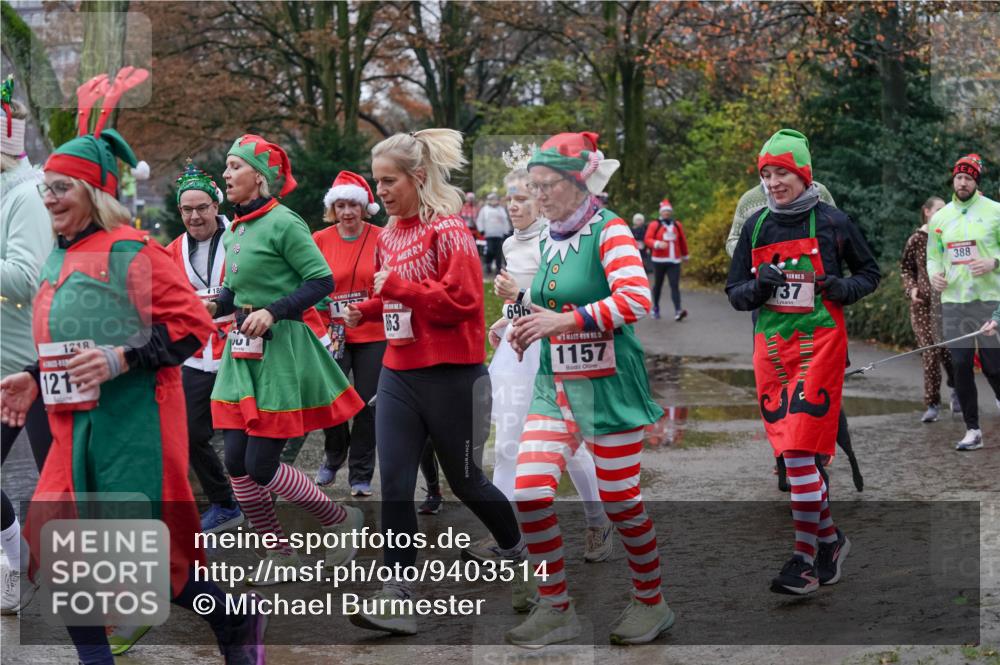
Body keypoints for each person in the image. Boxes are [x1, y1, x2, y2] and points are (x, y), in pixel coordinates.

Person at [0, 69, 266, 664]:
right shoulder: (54, 261)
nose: (50, 200)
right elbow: (69, 345)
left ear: (95, 193)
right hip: (73, 431)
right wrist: (31, 375)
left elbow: (191, 328)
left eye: (62, 189)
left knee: (153, 561)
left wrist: (123, 358)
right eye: (46, 189)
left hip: (135, 429)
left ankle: (233, 621)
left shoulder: (132, 251)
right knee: (63, 548)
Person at [343, 129, 525, 636]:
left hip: (452, 376)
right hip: (399, 373)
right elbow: (397, 298)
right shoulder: (390, 235)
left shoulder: (449, 231)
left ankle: (515, 547)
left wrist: (398, 288)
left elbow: (464, 304)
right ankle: (398, 593)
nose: (379, 191)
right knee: (394, 484)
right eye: (376, 181)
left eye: (388, 180)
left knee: (466, 481)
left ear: (417, 177)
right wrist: (367, 310)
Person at [505, 132, 671, 646]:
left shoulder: (610, 230)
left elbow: (636, 300)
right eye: (533, 187)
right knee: (529, 490)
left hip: (609, 388)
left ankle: (651, 600)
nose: (539, 196)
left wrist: (564, 322)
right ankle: (556, 607)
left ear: (578, 183)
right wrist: (516, 322)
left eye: (546, 185)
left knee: (621, 500)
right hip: (554, 386)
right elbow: (547, 301)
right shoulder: (553, 236)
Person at [727, 129, 880, 595]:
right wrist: (760, 288)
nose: (773, 183)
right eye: (766, 174)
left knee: (797, 452)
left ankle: (803, 562)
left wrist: (839, 287)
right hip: (772, 349)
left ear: (803, 174)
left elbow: (870, 273)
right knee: (793, 453)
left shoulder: (833, 221)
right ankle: (830, 542)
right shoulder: (754, 227)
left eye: (782, 173)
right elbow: (735, 294)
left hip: (821, 348)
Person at [208, 134, 366, 583]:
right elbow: (236, 288)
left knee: (261, 464)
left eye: (234, 167)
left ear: (259, 176)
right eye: (227, 166)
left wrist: (272, 310)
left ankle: (339, 518)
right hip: (243, 354)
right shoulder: (236, 226)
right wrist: (216, 306)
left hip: (282, 350)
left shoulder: (285, 222)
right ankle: (279, 552)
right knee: (236, 462)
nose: (226, 175)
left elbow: (321, 281)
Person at [475, 164, 613, 565]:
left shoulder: (555, 242)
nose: (514, 206)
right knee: (506, 445)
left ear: (541, 199)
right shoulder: (508, 246)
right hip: (517, 352)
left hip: (554, 349)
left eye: (522, 199)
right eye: (510, 200)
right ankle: (506, 535)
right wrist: (504, 320)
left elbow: (558, 299)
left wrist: (518, 296)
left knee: (569, 447)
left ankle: (597, 521)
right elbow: (517, 302)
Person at [165, 161, 244, 534]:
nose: (194, 217)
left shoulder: (241, 237)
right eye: (187, 209)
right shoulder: (171, 251)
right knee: (189, 432)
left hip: (239, 350)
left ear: (216, 205)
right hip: (196, 355)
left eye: (202, 208)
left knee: (244, 436)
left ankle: (260, 505)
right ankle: (224, 502)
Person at [0, 76, 53, 615]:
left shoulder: (25, 197)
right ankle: (16, 563)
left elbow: (28, 274)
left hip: (32, 362)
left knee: (62, 484)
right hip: (5, 361)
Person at [312, 170, 384, 497]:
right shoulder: (320, 240)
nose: (347, 213)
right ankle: (334, 453)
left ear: (365, 207)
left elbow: (390, 284)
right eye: (340, 205)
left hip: (373, 331)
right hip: (334, 331)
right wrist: (322, 299)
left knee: (368, 404)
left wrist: (367, 307)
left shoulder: (382, 237)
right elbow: (309, 281)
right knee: (332, 398)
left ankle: (361, 472)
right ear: (333, 209)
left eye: (353, 205)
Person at [927, 153, 1000, 451]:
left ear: (976, 182)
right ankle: (973, 430)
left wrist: (993, 262)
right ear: (953, 180)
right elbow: (933, 256)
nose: (963, 182)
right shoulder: (940, 218)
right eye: (959, 177)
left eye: (969, 178)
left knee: (994, 367)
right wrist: (935, 276)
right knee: (960, 365)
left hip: (987, 299)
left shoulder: (995, 211)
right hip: (954, 301)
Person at [900, 196, 958, 423]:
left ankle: (956, 387)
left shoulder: (951, 236)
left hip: (948, 303)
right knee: (930, 352)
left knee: (950, 352)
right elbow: (906, 269)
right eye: (939, 210)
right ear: (927, 212)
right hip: (922, 306)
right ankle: (932, 403)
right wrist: (911, 289)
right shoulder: (916, 239)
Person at [726, 180, 837, 258]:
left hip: (817, 280)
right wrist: (758, 256)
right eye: (768, 173)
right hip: (762, 281)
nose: (774, 182)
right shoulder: (749, 200)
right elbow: (733, 240)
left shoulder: (820, 193)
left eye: (782, 172)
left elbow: (837, 234)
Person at [644, 199, 689, 321]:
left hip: (674, 261)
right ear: (661, 212)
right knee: (658, 285)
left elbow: (682, 241)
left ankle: (678, 311)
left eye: (669, 211)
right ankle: (656, 308)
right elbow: (647, 239)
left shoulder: (677, 225)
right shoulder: (655, 224)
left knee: (674, 285)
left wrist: (685, 255)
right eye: (665, 211)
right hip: (659, 260)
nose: (667, 213)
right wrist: (657, 243)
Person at [477, 191, 511, 276]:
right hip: (489, 234)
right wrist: (481, 229)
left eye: (495, 199)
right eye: (492, 199)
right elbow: (480, 220)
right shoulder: (484, 209)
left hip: (499, 234)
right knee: (490, 251)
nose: (494, 201)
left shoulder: (501, 209)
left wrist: (506, 231)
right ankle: (488, 264)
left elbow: (505, 221)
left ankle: (498, 268)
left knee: (498, 252)